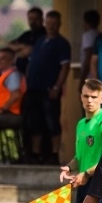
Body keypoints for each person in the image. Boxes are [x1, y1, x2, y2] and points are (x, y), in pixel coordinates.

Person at [23, 10, 71, 165]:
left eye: (54, 24)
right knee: (35, 123)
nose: (51, 26)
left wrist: (57, 87)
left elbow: (65, 67)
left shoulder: (62, 44)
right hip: (33, 89)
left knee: (52, 123)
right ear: (45, 23)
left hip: (49, 90)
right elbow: (31, 62)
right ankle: (35, 154)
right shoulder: (40, 41)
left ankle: (54, 154)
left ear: (59, 24)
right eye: (49, 23)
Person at [0, 47, 25, 132]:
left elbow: (16, 95)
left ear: (11, 61)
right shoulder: (2, 75)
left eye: (3, 59)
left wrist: (3, 109)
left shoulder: (13, 75)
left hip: (10, 114)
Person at [7, 6, 45, 74]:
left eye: (36, 19)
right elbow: (10, 45)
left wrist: (17, 52)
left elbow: (29, 51)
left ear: (42, 20)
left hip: (36, 73)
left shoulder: (45, 34)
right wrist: (22, 46)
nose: (33, 22)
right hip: (20, 73)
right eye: (30, 19)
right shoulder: (27, 34)